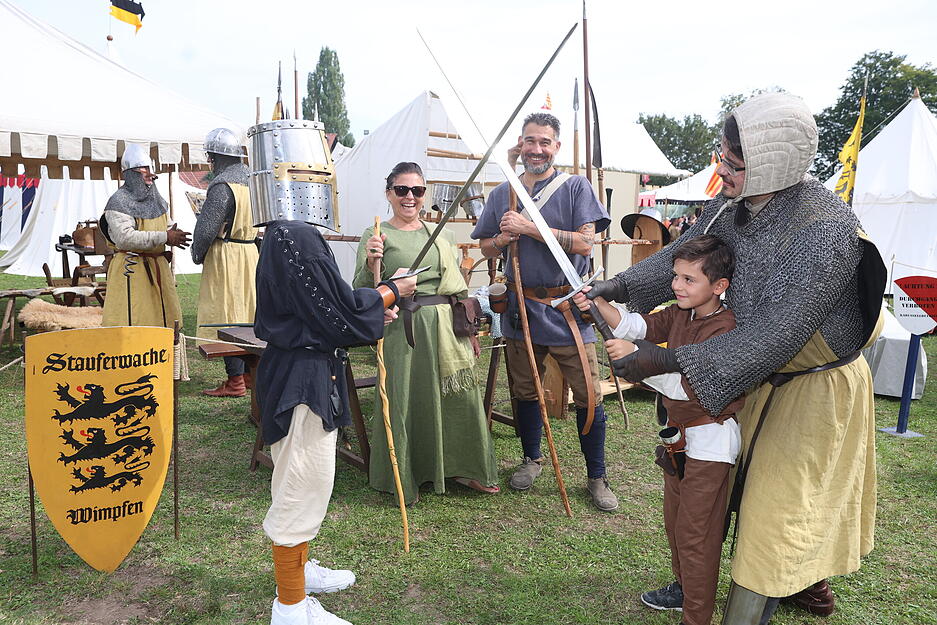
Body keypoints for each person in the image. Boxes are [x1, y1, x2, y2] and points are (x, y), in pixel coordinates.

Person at [586, 93, 885, 623]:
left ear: (773, 165)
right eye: (721, 157)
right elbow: (685, 260)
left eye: (733, 163)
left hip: (812, 382)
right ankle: (783, 585)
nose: (720, 170)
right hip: (750, 369)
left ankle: (761, 604)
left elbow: (776, 335)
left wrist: (660, 360)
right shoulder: (732, 205)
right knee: (735, 490)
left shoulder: (824, 228)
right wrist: (618, 286)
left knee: (778, 507)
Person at [255, 212, 417, 625]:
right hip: (302, 379)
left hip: (302, 369)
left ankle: (299, 573)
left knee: (306, 483)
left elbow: (321, 310)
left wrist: (372, 309)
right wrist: (388, 292)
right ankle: (290, 608)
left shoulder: (284, 233)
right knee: (300, 489)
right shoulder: (296, 235)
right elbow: (338, 314)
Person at [575, 235, 744, 625]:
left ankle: (696, 617)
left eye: (689, 280)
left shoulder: (727, 328)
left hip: (710, 440)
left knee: (696, 536)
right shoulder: (681, 312)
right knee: (676, 525)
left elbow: (697, 388)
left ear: (719, 286)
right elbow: (639, 326)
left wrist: (640, 366)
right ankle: (685, 591)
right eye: (676, 277)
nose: (677, 286)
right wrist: (599, 304)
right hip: (679, 439)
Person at [471, 112, 616, 512]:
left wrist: (529, 227)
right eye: (531, 141)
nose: (538, 149)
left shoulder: (575, 188)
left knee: (588, 395)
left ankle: (596, 475)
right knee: (524, 391)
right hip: (522, 309)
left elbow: (586, 244)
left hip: (567, 309)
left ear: (556, 147)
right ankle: (532, 459)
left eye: (545, 142)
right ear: (521, 143)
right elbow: (485, 246)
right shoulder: (505, 191)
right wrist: (502, 236)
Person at [353, 161, 499, 505]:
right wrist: (371, 263)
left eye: (417, 191)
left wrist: (470, 332)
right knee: (407, 398)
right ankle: (407, 473)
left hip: (448, 326)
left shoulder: (443, 233)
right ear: (389, 193)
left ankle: (464, 467)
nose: (410, 197)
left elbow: (458, 290)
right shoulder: (376, 234)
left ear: (424, 195)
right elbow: (362, 291)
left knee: (458, 397)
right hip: (404, 328)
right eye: (402, 190)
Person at [192, 128, 259, 398]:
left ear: (216, 156)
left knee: (227, 314)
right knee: (247, 313)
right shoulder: (253, 181)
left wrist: (197, 251)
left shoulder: (223, 186)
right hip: (250, 253)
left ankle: (235, 381)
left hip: (227, 255)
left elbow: (207, 229)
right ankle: (247, 374)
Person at [101, 143, 190, 328]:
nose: (149, 173)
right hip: (132, 270)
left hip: (158, 268)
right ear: (131, 173)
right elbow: (125, 238)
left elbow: (166, 224)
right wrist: (165, 237)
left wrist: (175, 231)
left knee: (162, 322)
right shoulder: (118, 202)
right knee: (135, 322)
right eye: (142, 169)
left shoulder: (157, 200)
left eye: (149, 168)